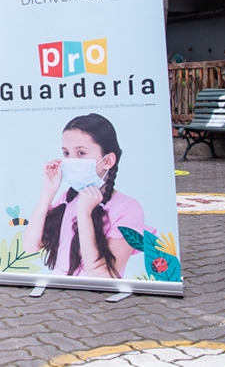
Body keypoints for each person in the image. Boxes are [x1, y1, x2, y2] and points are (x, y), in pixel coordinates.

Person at [22, 113, 144, 278]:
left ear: (108, 161)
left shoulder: (128, 208)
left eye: (81, 153)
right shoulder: (68, 198)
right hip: (60, 295)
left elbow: (103, 274)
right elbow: (30, 246)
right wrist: (48, 191)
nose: (71, 160)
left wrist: (84, 214)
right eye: (66, 153)